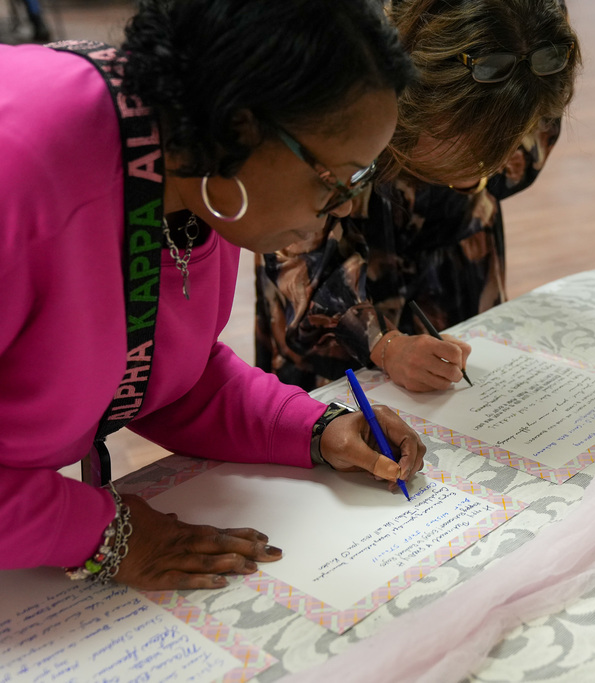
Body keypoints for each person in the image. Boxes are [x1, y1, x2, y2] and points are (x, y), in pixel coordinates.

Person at [0, 0, 425, 591]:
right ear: (242, 127)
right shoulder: (19, 173)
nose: (349, 207)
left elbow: (163, 379)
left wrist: (312, 428)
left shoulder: (194, 167)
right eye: (341, 179)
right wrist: (103, 533)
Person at [255, 0, 580, 393]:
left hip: (459, 255)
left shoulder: (533, 40)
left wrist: (477, 175)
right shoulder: (337, 59)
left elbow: (534, 136)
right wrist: (384, 345)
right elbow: (294, 242)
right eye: (465, 147)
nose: (484, 166)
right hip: (337, 274)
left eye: (499, 147)